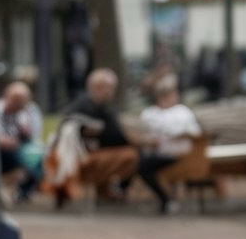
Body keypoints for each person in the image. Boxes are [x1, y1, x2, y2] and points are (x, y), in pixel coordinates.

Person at [43, 67, 140, 207]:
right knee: (131, 156)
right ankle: (107, 191)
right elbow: (66, 129)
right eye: (105, 88)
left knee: (132, 154)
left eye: (110, 88)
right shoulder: (81, 106)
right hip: (82, 155)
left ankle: (108, 192)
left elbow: (115, 133)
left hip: (101, 150)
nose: (108, 92)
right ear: (94, 87)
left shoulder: (106, 106)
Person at [135, 74, 203, 214]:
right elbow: (141, 135)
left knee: (142, 164)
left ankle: (165, 200)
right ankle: (165, 200)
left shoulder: (183, 112)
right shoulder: (150, 113)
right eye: (164, 94)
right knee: (140, 162)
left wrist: (176, 138)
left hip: (180, 154)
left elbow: (195, 134)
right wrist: (147, 141)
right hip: (157, 153)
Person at [0, 80, 44, 202]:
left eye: (22, 100)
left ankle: (24, 192)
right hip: (1, 151)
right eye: (15, 99)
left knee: (37, 155)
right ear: (6, 96)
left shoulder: (31, 110)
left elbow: (35, 136)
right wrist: (8, 141)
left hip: (23, 148)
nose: (18, 103)